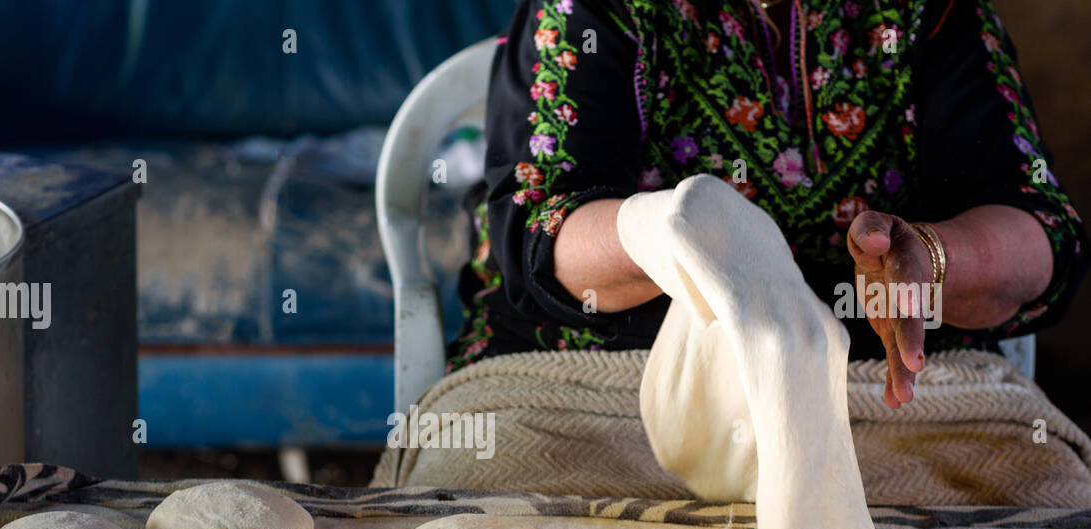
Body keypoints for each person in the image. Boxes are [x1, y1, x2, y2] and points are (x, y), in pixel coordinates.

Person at [451, 0, 1086, 408]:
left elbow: (1044, 230)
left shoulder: (931, 13)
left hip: (886, 395)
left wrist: (938, 258)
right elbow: (540, 232)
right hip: (600, 390)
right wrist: (670, 233)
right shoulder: (598, 9)